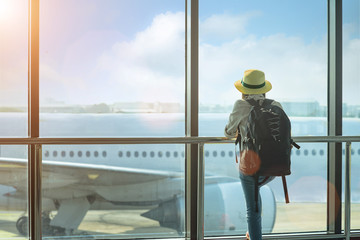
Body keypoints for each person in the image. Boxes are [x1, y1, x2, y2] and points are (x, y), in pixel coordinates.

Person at [224, 69, 283, 240]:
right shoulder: (276, 105)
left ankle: (254, 235)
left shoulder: (240, 105)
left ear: (243, 91)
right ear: (264, 89)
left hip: (250, 167)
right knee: (255, 193)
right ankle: (252, 232)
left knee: (252, 209)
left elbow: (229, 132)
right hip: (273, 167)